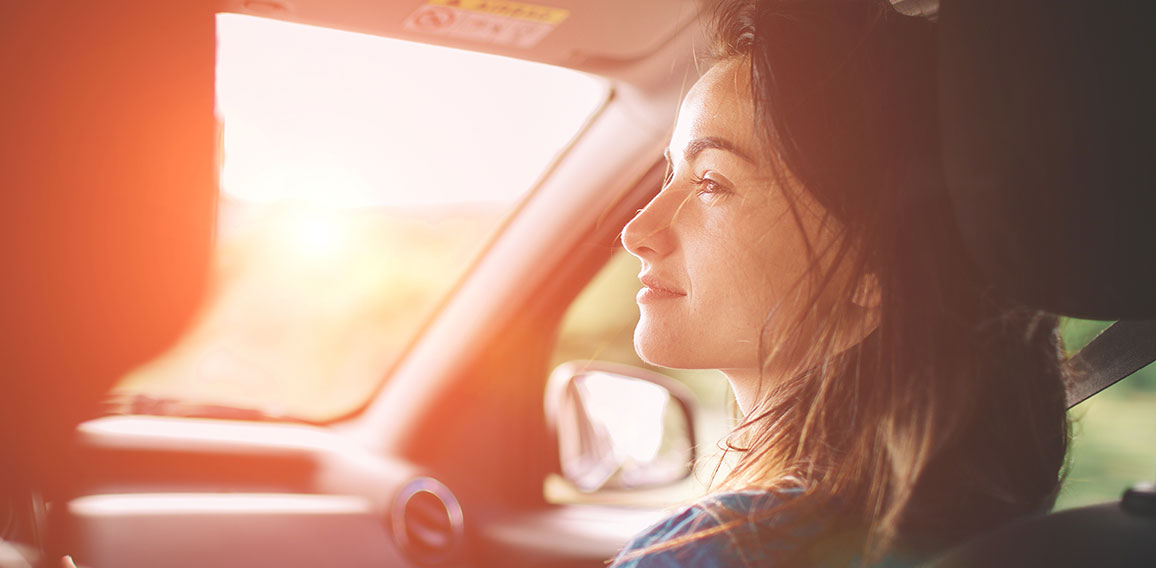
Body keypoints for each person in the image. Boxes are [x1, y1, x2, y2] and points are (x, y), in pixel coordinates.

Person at [611, 0, 1069, 566]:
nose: (638, 231)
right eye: (671, 173)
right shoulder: (1001, 527)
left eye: (711, 183)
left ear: (871, 264)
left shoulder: (712, 553)